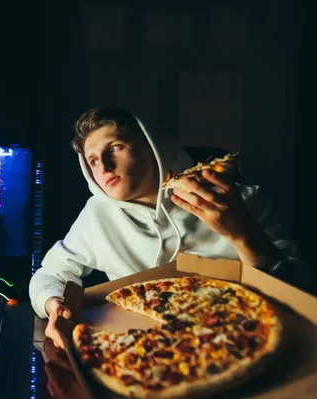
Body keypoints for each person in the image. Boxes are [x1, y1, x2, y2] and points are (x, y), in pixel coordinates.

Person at [29, 106, 314, 349]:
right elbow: (51, 273)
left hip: (241, 337)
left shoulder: (243, 201)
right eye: (92, 160)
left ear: (153, 147)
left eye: (115, 148)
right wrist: (52, 302)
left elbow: (303, 292)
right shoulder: (96, 216)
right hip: (149, 349)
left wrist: (242, 233)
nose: (103, 166)